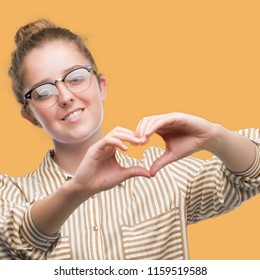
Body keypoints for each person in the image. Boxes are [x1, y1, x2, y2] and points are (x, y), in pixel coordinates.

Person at [0, 19, 259, 260]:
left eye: (76, 77)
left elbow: (251, 177)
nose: (65, 96)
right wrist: (78, 189)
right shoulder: (12, 194)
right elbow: (18, 239)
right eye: (44, 92)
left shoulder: (163, 175)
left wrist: (214, 136)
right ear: (30, 116)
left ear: (101, 86)